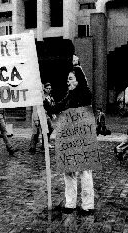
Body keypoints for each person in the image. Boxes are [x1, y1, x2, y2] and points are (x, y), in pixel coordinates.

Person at [56, 65, 95, 215]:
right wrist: (44, 102)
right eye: (67, 79)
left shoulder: (85, 94)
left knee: (85, 171)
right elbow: (57, 107)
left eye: (71, 79)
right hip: (69, 137)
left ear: (78, 80)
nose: (68, 82)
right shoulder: (70, 95)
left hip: (82, 138)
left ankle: (87, 205)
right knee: (69, 172)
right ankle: (70, 203)